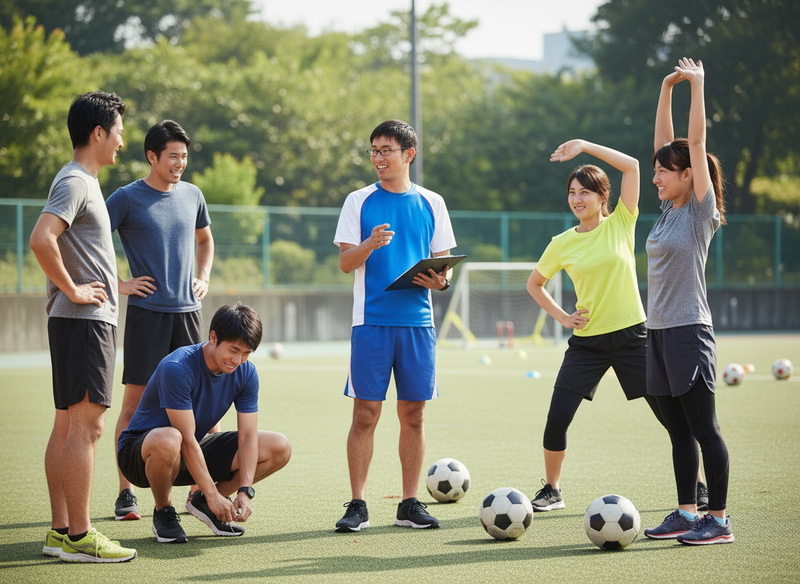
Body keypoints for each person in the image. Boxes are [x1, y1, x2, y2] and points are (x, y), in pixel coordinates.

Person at [526, 138, 667, 512]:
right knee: (556, 419)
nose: (577, 199)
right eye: (572, 192)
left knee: (671, 416)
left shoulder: (622, 221)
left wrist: (585, 147)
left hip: (632, 338)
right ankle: (553, 490)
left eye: (585, 192)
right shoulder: (561, 243)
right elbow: (534, 284)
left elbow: (634, 166)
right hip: (586, 342)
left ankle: (697, 486)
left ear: (603, 197)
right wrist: (562, 316)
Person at [332, 120, 456, 532]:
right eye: (373, 150)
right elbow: (346, 262)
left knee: (414, 416)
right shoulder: (358, 201)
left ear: (409, 154)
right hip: (371, 322)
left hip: (418, 324)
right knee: (365, 415)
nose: (378, 157)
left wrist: (441, 281)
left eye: (386, 149)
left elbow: (444, 265)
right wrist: (370, 243)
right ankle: (357, 504)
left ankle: (408, 503)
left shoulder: (432, 203)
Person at [29, 90, 137, 562]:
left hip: (78, 322)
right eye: (117, 132)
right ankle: (79, 535)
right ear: (98, 133)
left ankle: (60, 531)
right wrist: (74, 290)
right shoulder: (75, 181)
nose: (122, 142)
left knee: (67, 427)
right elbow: (41, 238)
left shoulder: (81, 180)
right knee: (88, 430)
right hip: (83, 321)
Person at [643, 58, 733, 545]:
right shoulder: (665, 211)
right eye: (655, 171)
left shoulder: (700, 211)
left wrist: (698, 84)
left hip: (688, 330)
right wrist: (665, 88)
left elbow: (693, 144)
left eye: (664, 172)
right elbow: (668, 142)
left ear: (688, 177)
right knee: (678, 431)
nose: (656, 176)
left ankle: (717, 519)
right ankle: (684, 510)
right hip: (658, 331)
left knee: (705, 428)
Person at [106, 120, 215, 521]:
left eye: (184, 156)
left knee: (201, 406)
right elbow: (88, 236)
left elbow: (206, 240)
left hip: (189, 314)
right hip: (147, 316)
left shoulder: (193, 194)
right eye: (173, 156)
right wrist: (119, 283)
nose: (180, 163)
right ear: (152, 156)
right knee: (134, 406)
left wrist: (203, 278)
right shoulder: (127, 197)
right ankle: (125, 492)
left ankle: (201, 492)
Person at [117, 303, 292, 543]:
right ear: (213, 337)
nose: (238, 360)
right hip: (140, 454)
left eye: (246, 353)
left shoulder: (246, 372)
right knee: (170, 438)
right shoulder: (177, 367)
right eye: (233, 350)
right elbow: (186, 438)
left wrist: (245, 489)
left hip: (187, 452)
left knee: (279, 447)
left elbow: (248, 436)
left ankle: (205, 503)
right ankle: (164, 512)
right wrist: (209, 490)